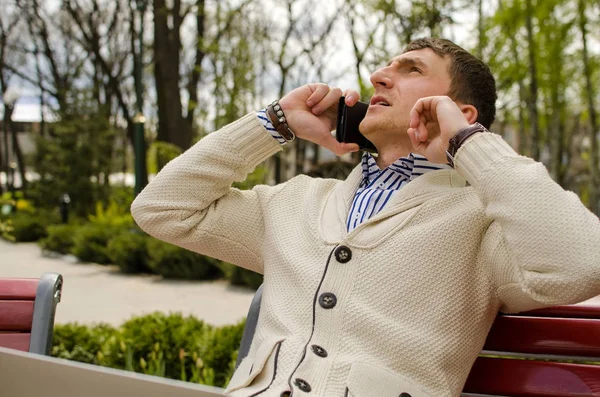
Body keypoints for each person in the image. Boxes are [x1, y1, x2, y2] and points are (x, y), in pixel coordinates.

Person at [131, 38, 600, 397]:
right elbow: (162, 208)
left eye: (410, 68)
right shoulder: (296, 203)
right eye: (385, 66)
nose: (378, 76)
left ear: (460, 112)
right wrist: (275, 122)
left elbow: (584, 263)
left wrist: (468, 145)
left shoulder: (488, 226)